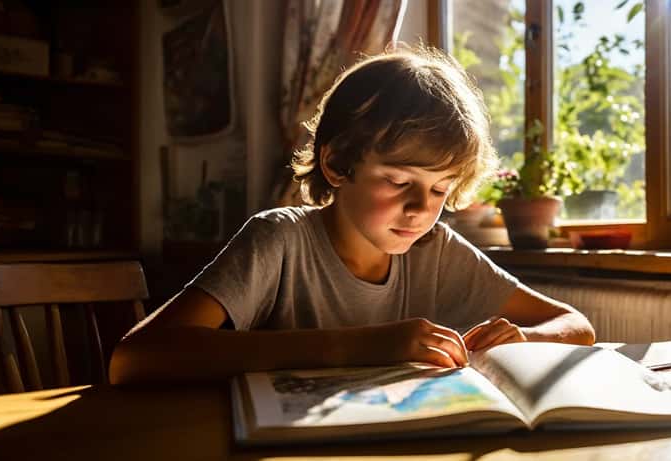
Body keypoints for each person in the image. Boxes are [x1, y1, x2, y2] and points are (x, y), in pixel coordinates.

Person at [109, 46, 594, 385]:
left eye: (440, 189)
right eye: (399, 181)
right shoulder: (279, 239)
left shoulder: (436, 250)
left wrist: (524, 336)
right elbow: (135, 358)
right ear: (338, 163)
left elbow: (574, 323)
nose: (421, 209)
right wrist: (359, 346)